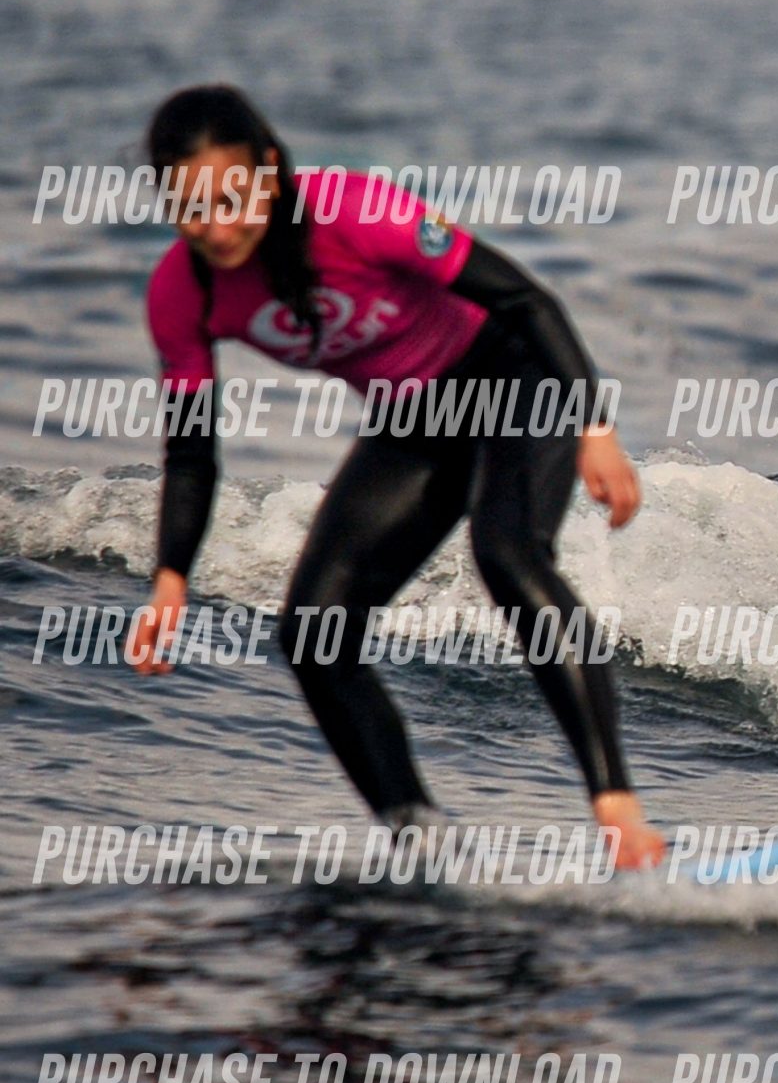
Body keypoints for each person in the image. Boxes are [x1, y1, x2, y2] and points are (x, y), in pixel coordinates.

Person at [125, 84, 666, 868]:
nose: (215, 227)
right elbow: (191, 448)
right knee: (314, 629)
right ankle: (422, 837)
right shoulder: (182, 291)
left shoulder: (355, 211)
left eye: (230, 199)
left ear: (269, 172)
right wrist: (170, 577)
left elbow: (525, 297)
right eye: (189, 209)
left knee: (507, 554)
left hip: (514, 374)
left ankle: (620, 812)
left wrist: (594, 428)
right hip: (417, 419)